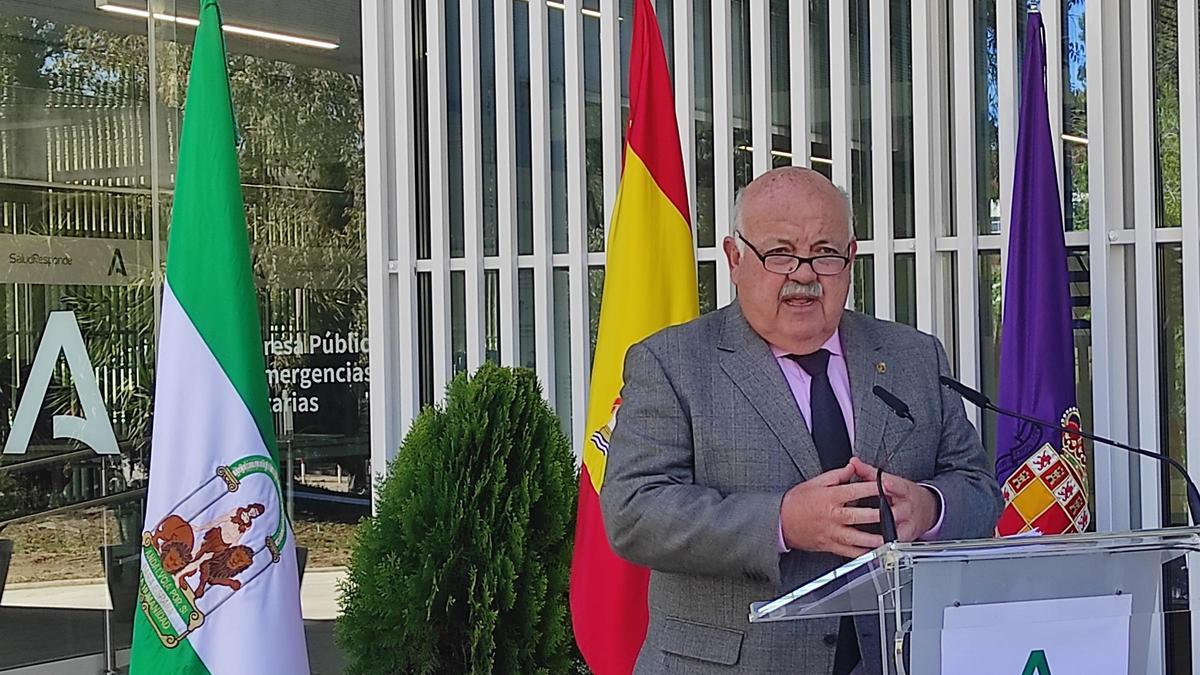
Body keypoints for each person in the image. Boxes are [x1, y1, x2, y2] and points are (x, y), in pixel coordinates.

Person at [600, 167, 1002, 674]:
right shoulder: (672, 362)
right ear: (734, 258)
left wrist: (929, 508)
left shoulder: (912, 356)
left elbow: (979, 489)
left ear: (851, 258)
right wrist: (783, 523)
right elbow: (634, 512)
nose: (805, 274)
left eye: (825, 253)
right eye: (780, 253)